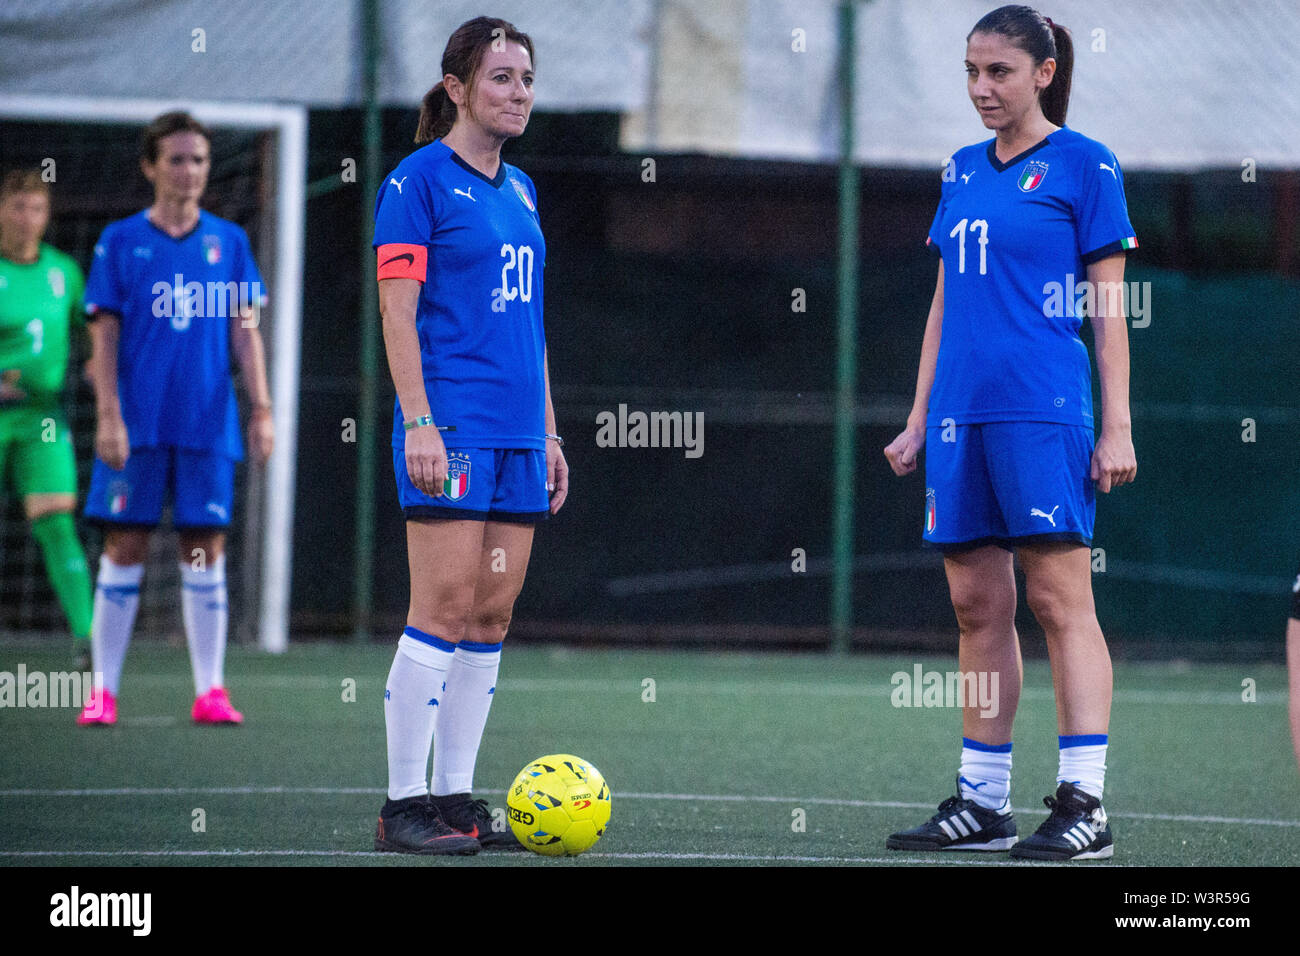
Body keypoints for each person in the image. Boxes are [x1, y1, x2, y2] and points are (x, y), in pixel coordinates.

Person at [883, 5, 1137, 861]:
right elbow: (946, 300)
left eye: (998, 71)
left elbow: (1108, 310)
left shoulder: (1085, 164)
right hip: (961, 414)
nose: (981, 88)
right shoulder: (959, 170)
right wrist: (920, 416)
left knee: (1060, 601)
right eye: (971, 71)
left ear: (1044, 72)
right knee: (974, 604)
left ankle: (1085, 804)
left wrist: (1117, 426)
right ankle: (983, 803)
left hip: (1043, 408)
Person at [370, 16, 567, 855]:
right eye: (500, 78)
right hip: (449, 428)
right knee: (441, 609)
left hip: (519, 438)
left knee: (489, 616)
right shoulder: (415, 182)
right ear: (457, 89)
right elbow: (397, 311)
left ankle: (455, 800)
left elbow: (533, 325)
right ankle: (401, 805)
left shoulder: (519, 192)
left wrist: (551, 433)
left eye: (525, 78)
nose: (518, 93)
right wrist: (418, 419)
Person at [76, 111, 274, 726]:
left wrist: (262, 408)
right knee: (125, 545)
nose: (189, 171)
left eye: (199, 160)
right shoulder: (121, 240)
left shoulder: (229, 242)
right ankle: (102, 691)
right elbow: (102, 339)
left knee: (203, 549)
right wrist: (109, 415)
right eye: (177, 159)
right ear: (150, 166)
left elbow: (246, 333)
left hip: (207, 425)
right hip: (136, 427)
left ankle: (211, 690)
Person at [0, 170, 95, 667]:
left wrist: (100, 367)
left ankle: (88, 638)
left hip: (42, 417)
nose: (26, 219)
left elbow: (92, 332)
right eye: (17, 207)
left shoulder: (64, 273)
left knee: (56, 519)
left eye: (35, 208)